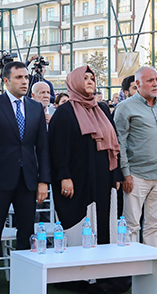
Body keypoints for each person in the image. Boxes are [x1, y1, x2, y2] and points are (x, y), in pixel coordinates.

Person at [0, 61, 50, 294]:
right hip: (0, 181)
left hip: (28, 181)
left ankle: (24, 281)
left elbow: (42, 148)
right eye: (18, 77)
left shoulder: (35, 107)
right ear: (6, 81)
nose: (24, 81)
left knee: (26, 234)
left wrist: (44, 181)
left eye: (26, 77)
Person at [48, 65, 122, 245]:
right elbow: (58, 149)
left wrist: (116, 173)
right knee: (83, 225)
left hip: (104, 177)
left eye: (92, 78)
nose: (90, 82)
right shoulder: (65, 113)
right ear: (74, 83)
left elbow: (113, 144)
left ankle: (104, 268)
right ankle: (82, 269)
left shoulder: (102, 109)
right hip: (78, 179)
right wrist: (64, 176)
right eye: (85, 78)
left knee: (104, 220)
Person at [114, 67, 157, 247]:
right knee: (131, 225)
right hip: (136, 175)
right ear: (138, 84)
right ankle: (129, 269)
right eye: (150, 80)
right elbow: (120, 144)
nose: (155, 84)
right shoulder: (125, 107)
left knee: (155, 224)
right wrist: (125, 173)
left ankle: (149, 268)